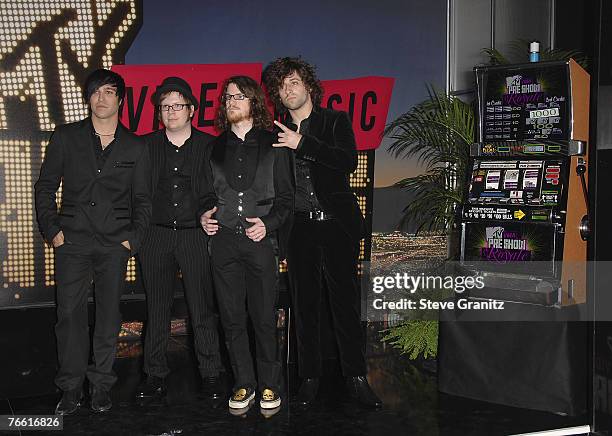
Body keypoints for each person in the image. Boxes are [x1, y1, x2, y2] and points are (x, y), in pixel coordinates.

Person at [263, 57, 382, 407]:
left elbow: (346, 160)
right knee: (305, 307)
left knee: (345, 304)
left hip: (336, 226)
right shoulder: (275, 133)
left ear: (309, 86)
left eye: (294, 82)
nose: (289, 89)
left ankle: (357, 377)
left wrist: (303, 144)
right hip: (298, 228)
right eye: (282, 86)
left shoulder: (335, 120)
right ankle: (309, 378)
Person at [34, 68, 152, 414]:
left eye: (110, 92)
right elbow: (45, 187)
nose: (102, 98)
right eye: (96, 92)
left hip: (115, 245)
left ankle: (101, 385)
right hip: (71, 241)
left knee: (108, 316)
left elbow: (143, 200)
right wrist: (52, 230)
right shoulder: (67, 136)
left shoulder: (136, 145)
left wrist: (133, 239)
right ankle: (70, 388)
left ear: (121, 100)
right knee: (68, 315)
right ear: (88, 98)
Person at [200, 76, 293, 412]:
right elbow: (207, 194)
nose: (232, 101)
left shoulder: (276, 144)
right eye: (227, 97)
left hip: (261, 244)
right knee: (231, 317)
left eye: (239, 96)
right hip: (223, 241)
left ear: (254, 101)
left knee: (264, 317)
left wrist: (267, 225)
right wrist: (203, 215)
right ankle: (244, 383)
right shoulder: (214, 147)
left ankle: (270, 384)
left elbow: (286, 198)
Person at [135, 77, 224, 402]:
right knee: (157, 309)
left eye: (177, 105)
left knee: (201, 308)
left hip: (195, 236)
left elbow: (218, 189)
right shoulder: (146, 145)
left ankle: (211, 374)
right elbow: (137, 193)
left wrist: (208, 213)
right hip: (155, 236)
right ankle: (153, 375)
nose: (171, 111)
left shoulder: (210, 145)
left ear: (192, 110)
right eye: (165, 106)